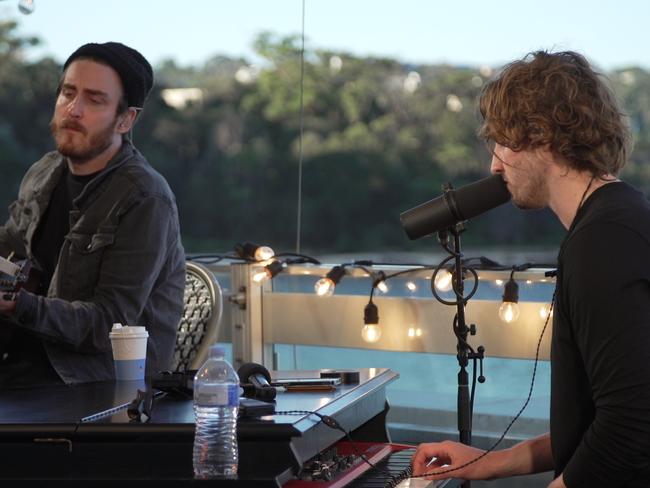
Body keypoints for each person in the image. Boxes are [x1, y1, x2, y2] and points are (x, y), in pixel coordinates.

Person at [412, 51, 650, 487]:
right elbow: (595, 421)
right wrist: (491, 462)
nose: (494, 165)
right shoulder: (614, 220)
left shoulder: (604, 239)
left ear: (540, 136)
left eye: (502, 142)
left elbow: (631, 425)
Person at [0, 42, 185, 387]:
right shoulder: (45, 171)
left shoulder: (145, 198)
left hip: (93, 382)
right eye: (68, 93)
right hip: (21, 364)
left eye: (94, 100)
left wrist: (16, 305)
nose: (73, 109)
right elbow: (9, 249)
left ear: (125, 119)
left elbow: (110, 326)